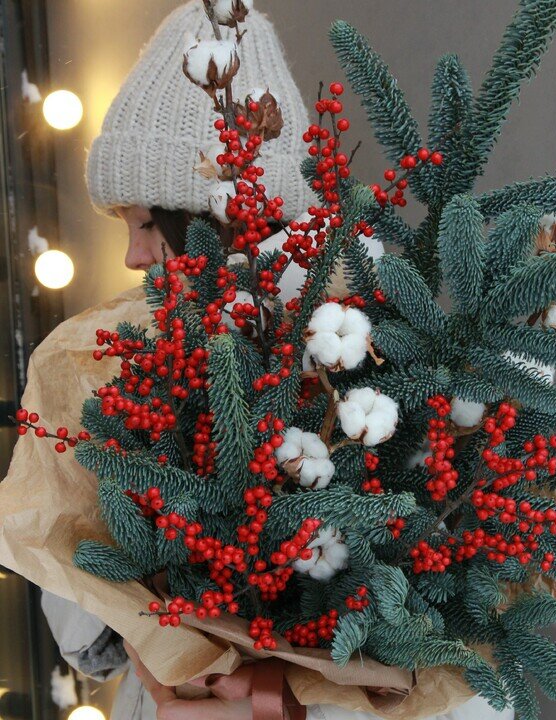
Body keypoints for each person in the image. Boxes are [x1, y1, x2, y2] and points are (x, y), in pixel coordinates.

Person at [41, 3, 513, 719]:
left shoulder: (372, 363)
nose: (133, 256)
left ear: (211, 213)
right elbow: (89, 612)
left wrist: (267, 699)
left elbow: (435, 618)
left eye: (143, 222)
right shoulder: (145, 366)